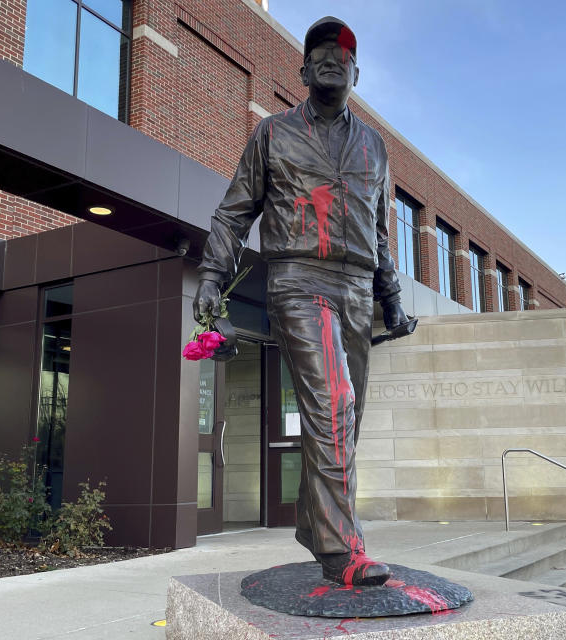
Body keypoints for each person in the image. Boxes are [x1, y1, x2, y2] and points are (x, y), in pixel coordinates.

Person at [193, 17, 409, 587]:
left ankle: (315, 527)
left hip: (359, 288)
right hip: (298, 278)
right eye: (321, 52)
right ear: (304, 69)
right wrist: (211, 275)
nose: (332, 58)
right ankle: (344, 548)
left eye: (343, 53)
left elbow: (380, 232)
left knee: (343, 421)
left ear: (356, 71)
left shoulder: (375, 146)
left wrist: (392, 298)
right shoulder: (273, 133)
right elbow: (235, 210)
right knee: (333, 403)